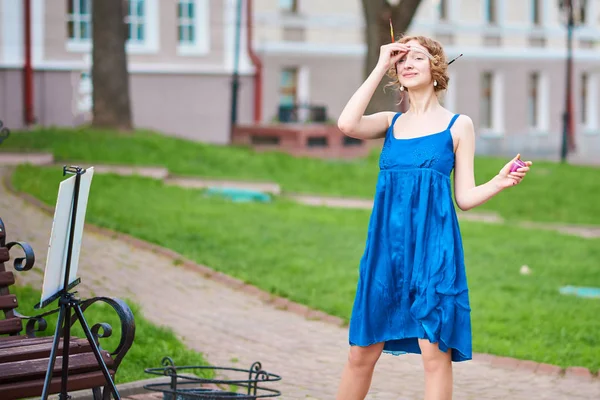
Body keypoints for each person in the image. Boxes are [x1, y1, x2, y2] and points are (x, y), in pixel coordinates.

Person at [334, 35, 532, 400]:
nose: (407, 64)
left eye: (417, 58)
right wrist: (380, 64)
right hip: (385, 252)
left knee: (433, 353)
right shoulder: (389, 123)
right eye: (401, 60)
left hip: (434, 252)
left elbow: (464, 197)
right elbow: (347, 124)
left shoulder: (459, 125)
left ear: (436, 68)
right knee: (361, 351)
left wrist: (499, 182)